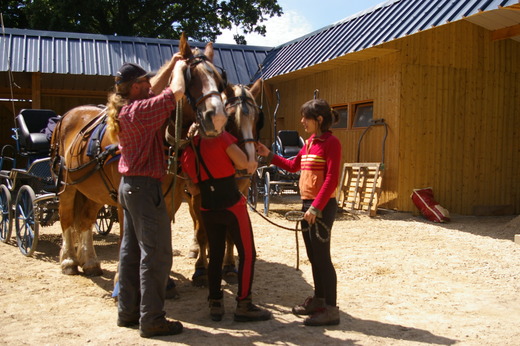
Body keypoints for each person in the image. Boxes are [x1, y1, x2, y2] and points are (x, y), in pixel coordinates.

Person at [106, 55, 186, 338]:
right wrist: (179, 68)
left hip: (128, 187)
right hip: (144, 188)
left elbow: (157, 88)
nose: (148, 84)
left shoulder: (127, 110)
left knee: (130, 253)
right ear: (136, 87)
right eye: (144, 81)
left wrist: (174, 58)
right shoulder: (141, 111)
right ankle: (152, 319)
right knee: (157, 254)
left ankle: (128, 312)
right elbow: (175, 92)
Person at [256, 98, 342, 326]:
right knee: (314, 257)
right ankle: (319, 300)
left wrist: (316, 206)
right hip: (308, 205)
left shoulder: (331, 143)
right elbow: (294, 166)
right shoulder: (311, 142)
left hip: (321, 207)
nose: (302, 121)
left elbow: (332, 178)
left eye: (306, 117)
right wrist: (269, 155)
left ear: (319, 119)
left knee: (323, 259)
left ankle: (331, 310)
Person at [180, 124, 272, 323]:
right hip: (232, 207)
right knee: (248, 255)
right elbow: (245, 165)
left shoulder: (191, 146)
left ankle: (215, 303)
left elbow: (193, 186)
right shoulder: (223, 139)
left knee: (215, 255)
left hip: (207, 208)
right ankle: (244, 304)